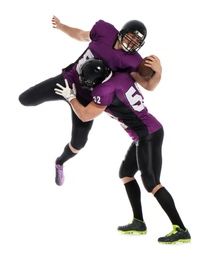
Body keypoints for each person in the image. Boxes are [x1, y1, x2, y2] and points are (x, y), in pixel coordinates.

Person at [54, 58, 191, 244]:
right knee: (126, 173)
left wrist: (71, 98)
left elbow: (85, 115)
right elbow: (147, 84)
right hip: (144, 132)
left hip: (147, 134)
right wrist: (158, 72)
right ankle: (139, 222)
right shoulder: (121, 75)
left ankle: (181, 229)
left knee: (152, 183)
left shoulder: (103, 90)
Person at [19, 16, 161, 186]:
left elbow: (148, 85)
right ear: (122, 32)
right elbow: (80, 35)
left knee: (78, 144)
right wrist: (62, 26)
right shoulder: (105, 31)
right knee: (25, 99)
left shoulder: (132, 61)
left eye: (136, 41)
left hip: (87, 98)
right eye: (130, 36)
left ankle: (60, 162)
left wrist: (158, 72)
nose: (131, 42)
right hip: (68, 80)